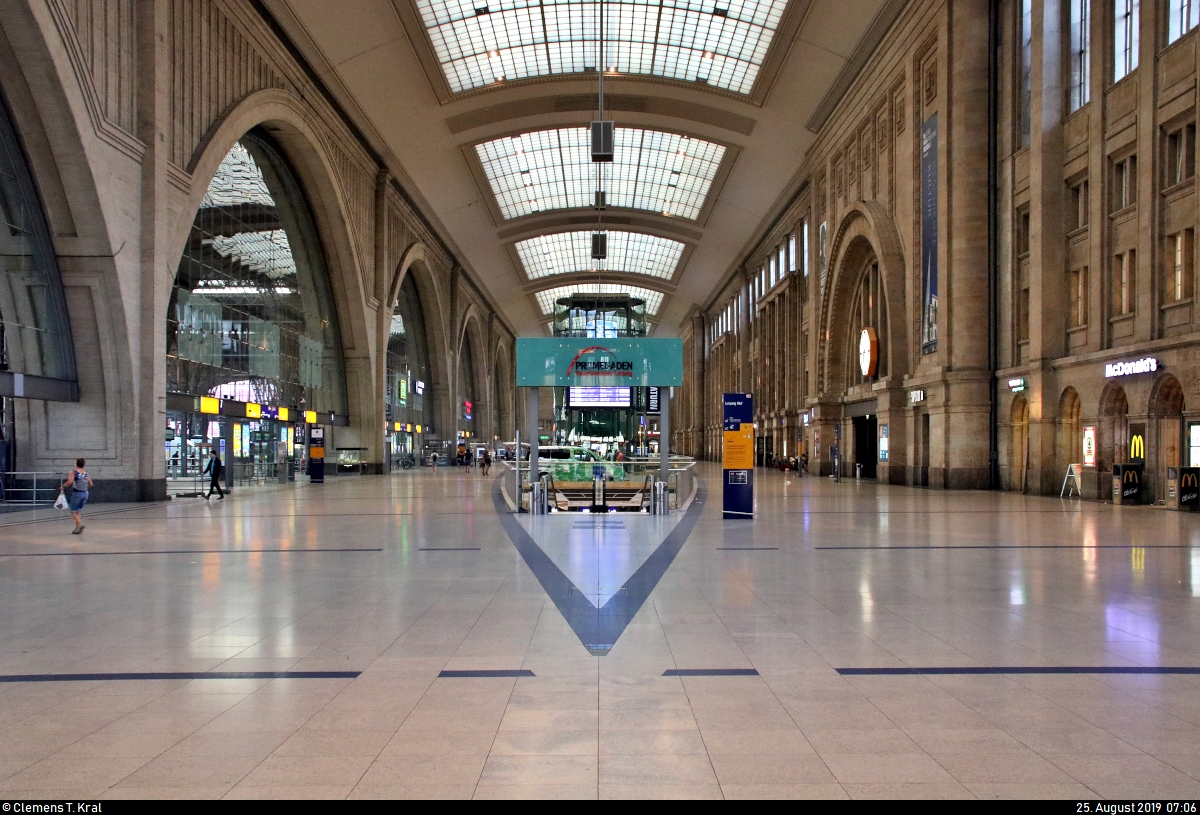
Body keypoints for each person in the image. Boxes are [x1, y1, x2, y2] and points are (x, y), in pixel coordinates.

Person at [61, 458, 93, 535]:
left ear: (76, 464)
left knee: (73, 512)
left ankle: (80, 524)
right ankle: (77, 529)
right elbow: (91, 484)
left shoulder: (74, 472)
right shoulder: (86, 473)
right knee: (78, 511)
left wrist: (63, 486)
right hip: (85, 493)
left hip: (77, 493)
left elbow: (70, 481)